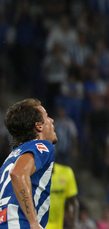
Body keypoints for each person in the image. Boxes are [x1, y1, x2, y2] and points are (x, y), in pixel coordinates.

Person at [0, 98, 58, 229]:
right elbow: (18, 173)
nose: (52, 120)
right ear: (39, 126)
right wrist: (33, 223)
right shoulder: (42, 146)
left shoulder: (10, 158)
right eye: (47, 117)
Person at [47, 163, 79, 229]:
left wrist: (73, 224)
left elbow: (73, 201)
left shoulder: (66, 172)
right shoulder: (35, 173)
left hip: (58, 226)